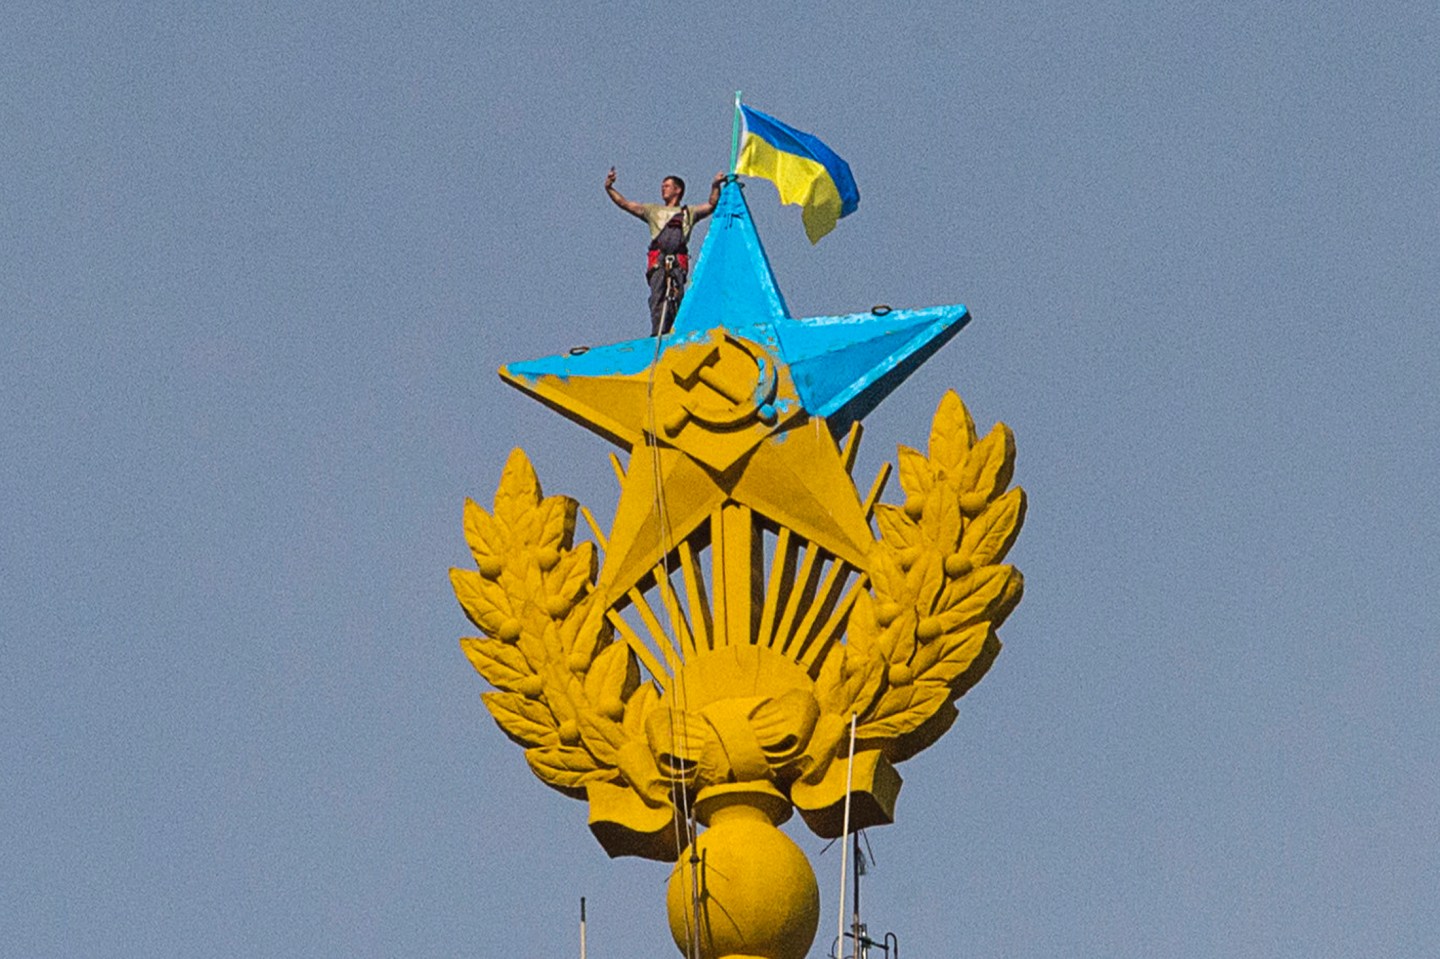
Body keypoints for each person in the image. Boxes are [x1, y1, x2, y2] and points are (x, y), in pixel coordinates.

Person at [605, 168, 724, 335]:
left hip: (677, 263)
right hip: (658, 261)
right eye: (663, 186)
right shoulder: (652, 210)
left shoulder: (688, 212)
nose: (663, 189)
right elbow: (625, 204)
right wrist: (609, 188)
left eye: (667, 186)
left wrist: (715, 185)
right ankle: (658, 333)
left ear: (678, 189)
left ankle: (676, 332)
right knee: (658, 297)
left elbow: (711, 205)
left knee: (677, 298)